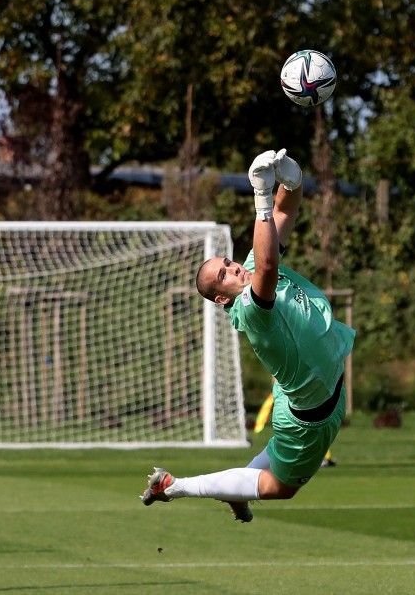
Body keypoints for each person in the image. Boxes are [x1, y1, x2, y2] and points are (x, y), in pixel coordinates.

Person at [140, 148, 355, 522]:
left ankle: (234, 489)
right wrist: (260, 198)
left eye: (227, 263)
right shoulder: (251, 310)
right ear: (222, 297)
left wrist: (293, 178)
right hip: (309, 417)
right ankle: (173, 485)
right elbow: (270, 266)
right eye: (222, 275)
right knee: (279, 488)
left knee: (274, 466)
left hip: (325, 393)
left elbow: (285, 211)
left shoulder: (251, 267)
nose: (233, 268)